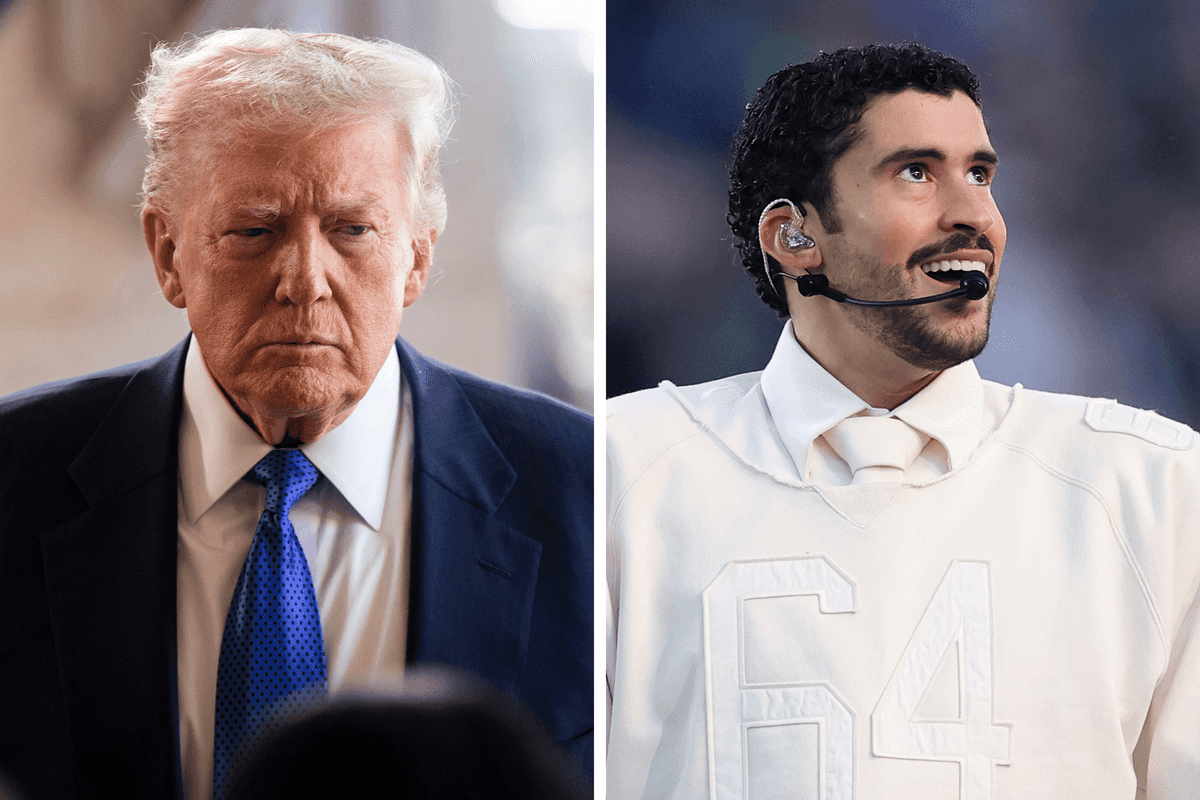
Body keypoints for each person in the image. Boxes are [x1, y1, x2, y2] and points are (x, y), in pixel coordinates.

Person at [0, 29, 591, 800]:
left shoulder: (583, 490)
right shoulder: (14, 481)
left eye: (351, 230)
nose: (305, 280)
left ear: (416, 257)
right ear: (168, 252)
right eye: (255, 230)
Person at [606, 43, 1200, 799]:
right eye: (916, 172)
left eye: (980, 174)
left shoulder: (1154, 486)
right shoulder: (621, 470)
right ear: (794, 237)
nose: (976, 215)